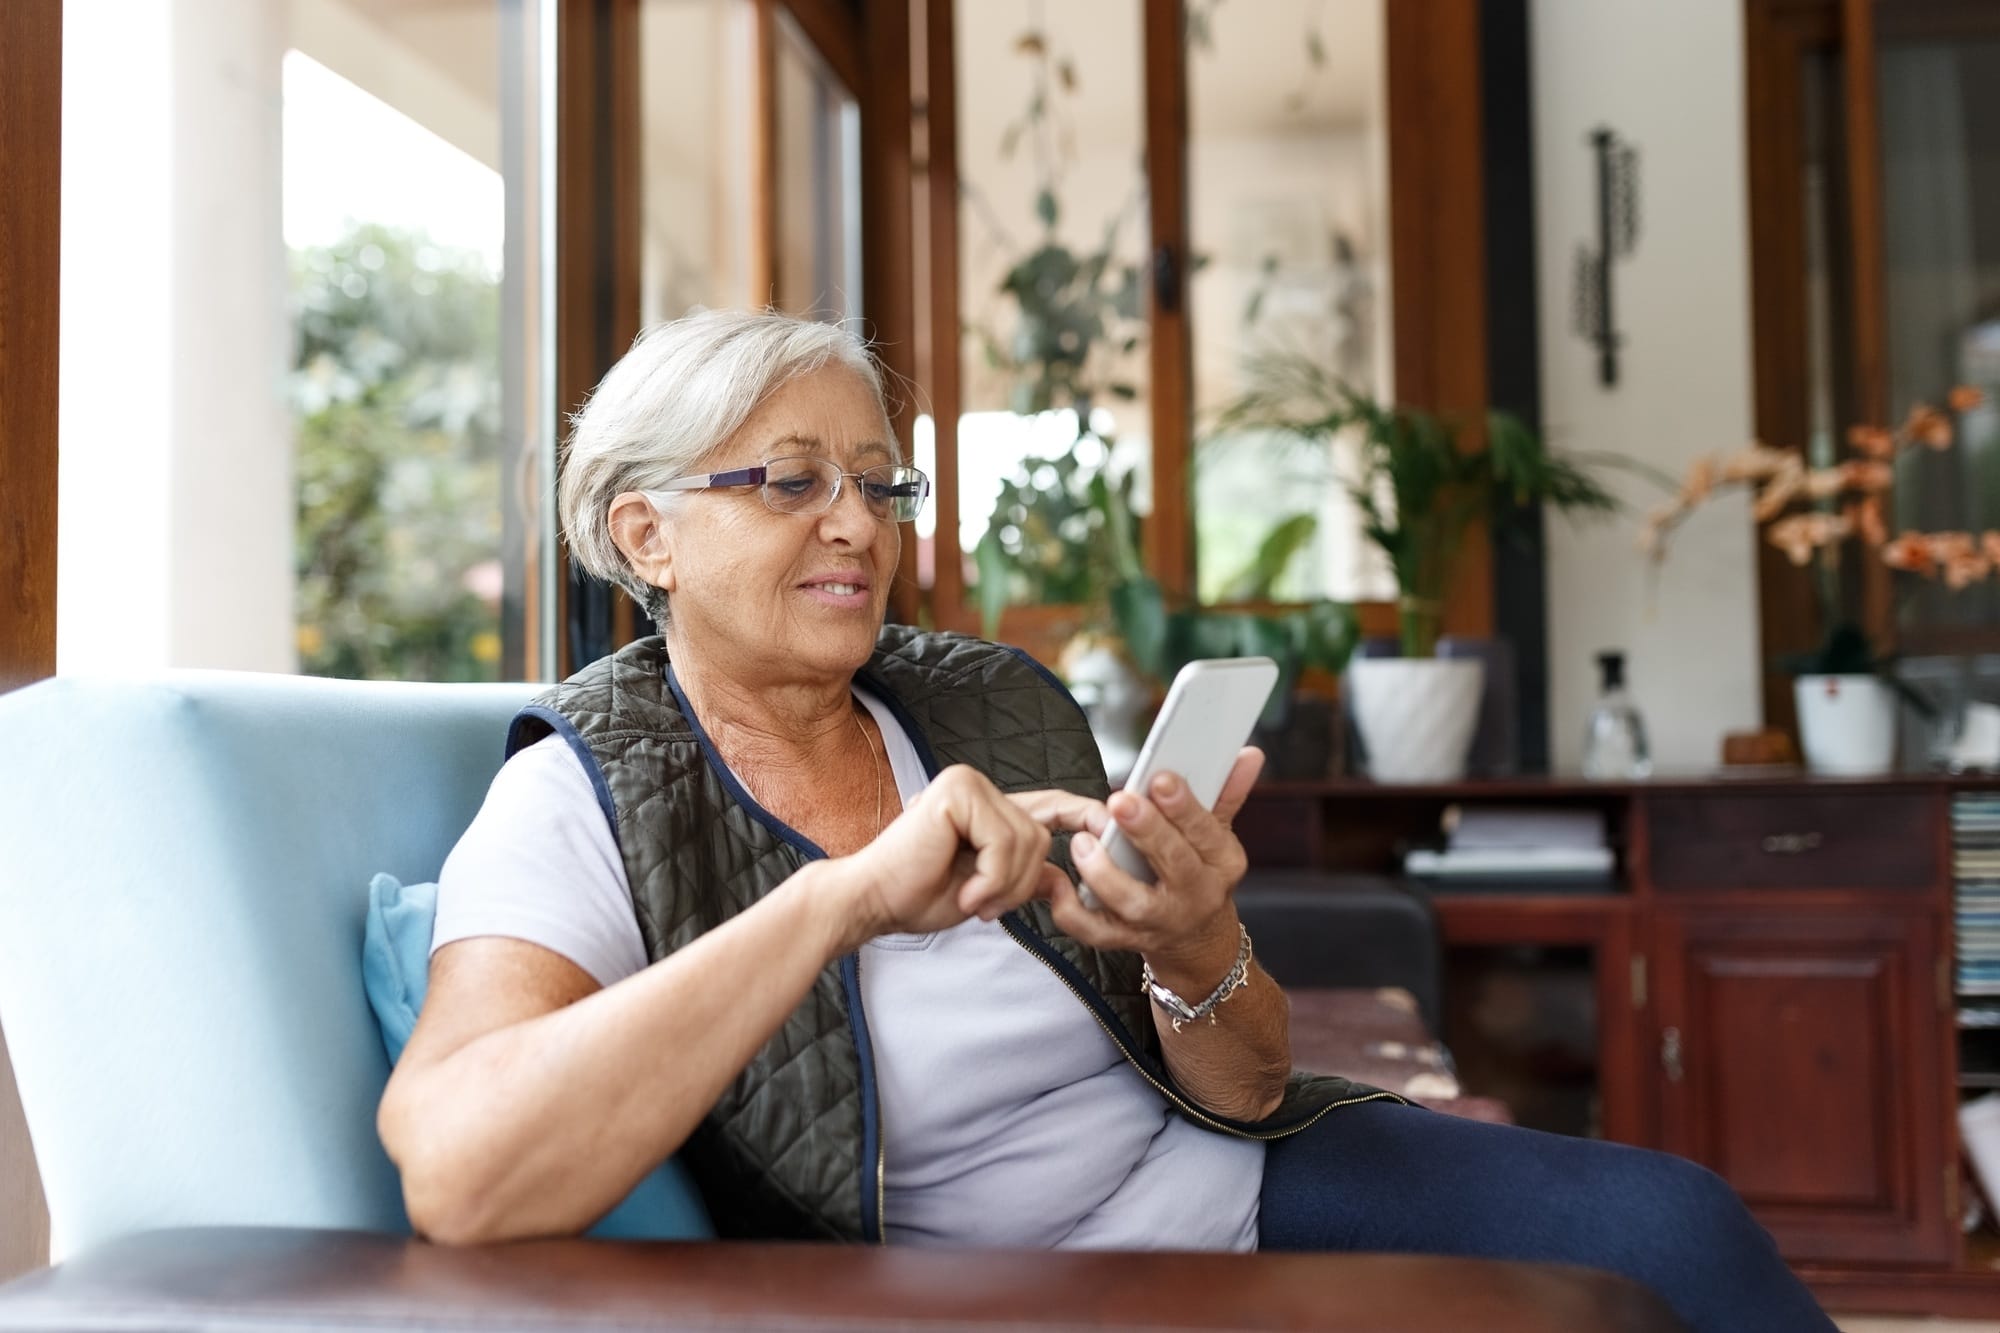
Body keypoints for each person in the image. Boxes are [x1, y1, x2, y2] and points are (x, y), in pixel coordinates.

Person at [377, 308, 1834, 1331]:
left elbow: (1250, 1083)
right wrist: (837, 899)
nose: (858, 524)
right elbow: (459, 1171)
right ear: (648, 534)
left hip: (1240, 1179)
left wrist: (1195, 939)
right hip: (1003, 1283)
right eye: (792, 483)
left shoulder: (986, 703)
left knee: (1674, 1232)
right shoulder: (576, 789)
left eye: (882, 483)